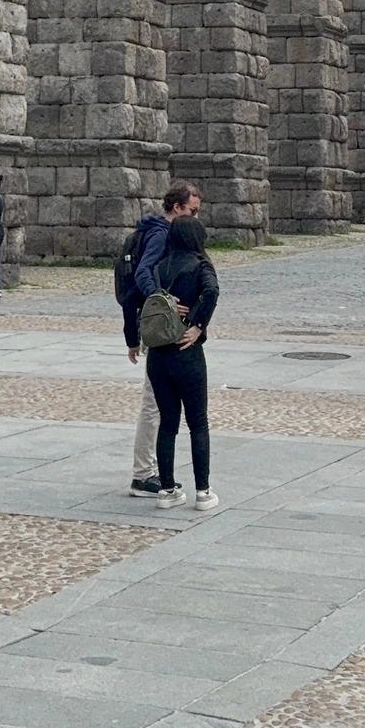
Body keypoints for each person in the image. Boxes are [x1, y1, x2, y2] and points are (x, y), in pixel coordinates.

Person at [121, 180, 201, 496]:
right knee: (153, 402)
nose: (195, 218)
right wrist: (163, 300)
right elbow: (142, 273)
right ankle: (143, 474)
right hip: (158, 325)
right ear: (177, 207)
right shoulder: (161, 234)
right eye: (192, 211)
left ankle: (147, 471)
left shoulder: (162, 231)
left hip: (156, 324)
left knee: (156, 400)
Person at [145, 214, 220, 511]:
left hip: (159, 353)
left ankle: (167, 489)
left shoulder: (159, 267)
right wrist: (198, 324)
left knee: (168, 423)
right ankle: (203, 491)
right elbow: (212, 291)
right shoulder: (200, 265)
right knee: (198, 422)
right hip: (187, 351)